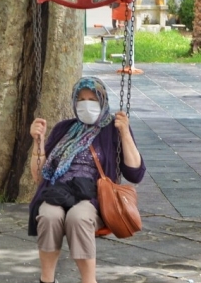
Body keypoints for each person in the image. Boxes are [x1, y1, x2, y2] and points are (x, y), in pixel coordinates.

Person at [28, 77, 145, 283]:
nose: (86, 104)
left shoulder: (113, 129)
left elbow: (135, 173)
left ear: (103, 101)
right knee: (48, 216)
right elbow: (39, 175)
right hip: (59, 191)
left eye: (92, 98)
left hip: (92, 196)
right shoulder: (63, 129)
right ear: (74, 102)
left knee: (78, 217)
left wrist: (125, 133)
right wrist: (38, 141)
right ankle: (46, 280)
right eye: (81, 99)